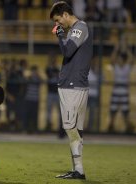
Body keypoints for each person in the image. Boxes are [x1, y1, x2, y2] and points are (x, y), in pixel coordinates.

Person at [50, 1, 93, 179]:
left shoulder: (79, 28)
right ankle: (78, 169)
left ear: (66, 15)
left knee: (71, 129)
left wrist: (60, 35)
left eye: (58, 20)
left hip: (72, 86)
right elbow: (67, 52)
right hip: (74, 85)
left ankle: (79, 170)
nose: (58, 24)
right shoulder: (75, 30)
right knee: (75, 130)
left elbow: (67, 52)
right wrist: (62, 35)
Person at [108, 40, 134, 134]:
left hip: (124, 92)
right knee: (113, 111)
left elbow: (131, 60)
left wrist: (126, 49)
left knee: (125, 111)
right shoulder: (116, 67)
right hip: (115, 91)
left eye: (120, 59)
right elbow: (112, 59)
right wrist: (116, 48)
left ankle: (129, 128)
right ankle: (111, 127)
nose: (118, 60)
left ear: (123, 60)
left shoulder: (127, 67)